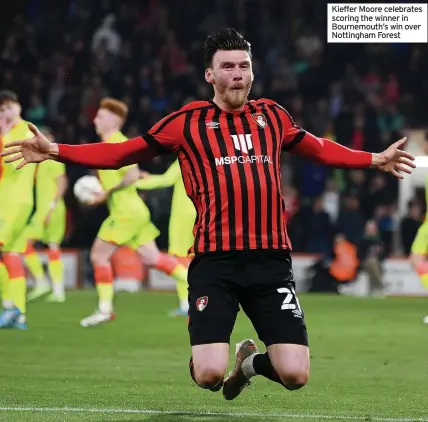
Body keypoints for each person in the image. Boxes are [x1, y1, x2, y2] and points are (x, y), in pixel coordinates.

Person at [1, 29, 415, 396]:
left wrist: (374, 159)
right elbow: (121, 154)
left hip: (270, 262)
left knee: (295, 374)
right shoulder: (186, 123)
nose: (238, 73)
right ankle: (216, 364)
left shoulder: (273, 116)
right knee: (209, 376)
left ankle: (249, 364)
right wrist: (55, 150)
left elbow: (321, 150)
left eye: (244, 66)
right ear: (210, 76)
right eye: (228, 66)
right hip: (214, 264)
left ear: (252, 73)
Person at [74, 97, 188, 327]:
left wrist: (105, 194)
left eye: (101, 116)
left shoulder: (118, 142)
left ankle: (104, 309)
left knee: (98, 255)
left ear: (114, 121)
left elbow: (132, 175)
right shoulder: (107, 144)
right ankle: (200, 286)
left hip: (126, 213)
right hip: (134, 211)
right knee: (153, 258)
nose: (95, 119)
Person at [136, 159, 196, 316]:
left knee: (180, 258)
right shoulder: (212, 156)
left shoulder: (185, 157)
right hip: (205, 212)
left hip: (184, 215)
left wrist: (135, 183)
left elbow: (166, 180)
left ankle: (186, 305)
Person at [0, 90, 36, 329]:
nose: (5, 113)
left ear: (18, 107)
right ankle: (18, 312)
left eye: (9, 107)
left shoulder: (23, 130)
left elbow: (9, 162)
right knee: (12, 255)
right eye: (1, 110)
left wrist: (3, 134)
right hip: (11, 201)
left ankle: (9, 306)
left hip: (14, 202)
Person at [25, 127, 68, 303]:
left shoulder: (53, 158)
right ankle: (54, 289)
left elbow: (62, 182)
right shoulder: (42, 161)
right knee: (49, 246)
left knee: (26, 242)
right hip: (45, 209)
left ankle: (48, 285)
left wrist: (51, 207)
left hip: (51, 209)